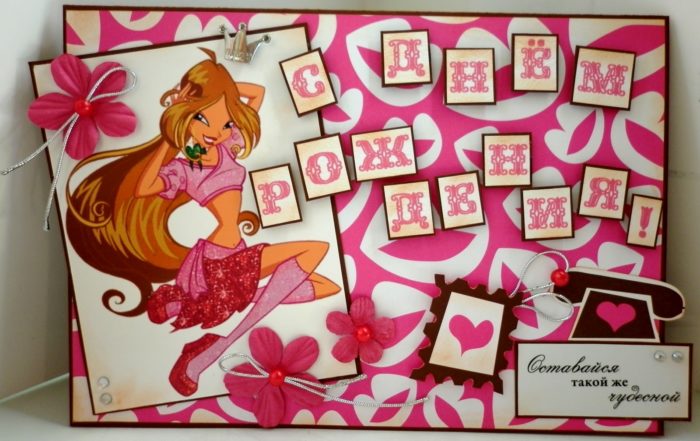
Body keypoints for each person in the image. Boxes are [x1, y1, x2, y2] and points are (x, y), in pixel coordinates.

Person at [66, 48, 340, 396]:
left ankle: (219, 317)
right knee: (315, 250)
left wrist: (218, 88)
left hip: (232, 249)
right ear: (186, 116)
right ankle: (218, 346)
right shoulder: (186, 168)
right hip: (218, 258)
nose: (216, 131)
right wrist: (171, 135)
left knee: (326, 287)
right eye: (202, 119)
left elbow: (256, 94)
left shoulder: (228, 148)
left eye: (224, 122)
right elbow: (144, 187)